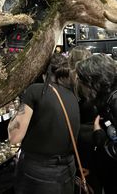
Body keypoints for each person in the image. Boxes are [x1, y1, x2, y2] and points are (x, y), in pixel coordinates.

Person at [8, 53, 80, 194]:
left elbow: (14, 137)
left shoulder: (36, 90)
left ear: (43, 73)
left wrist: (13, 114)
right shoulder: (72, 95)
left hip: (39, 174)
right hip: (68, 171)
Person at [76, 53, 117, 194]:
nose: (80, 85)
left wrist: (99, 135)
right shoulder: (107, 99)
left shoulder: (114, 102)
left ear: (93, 82)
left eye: (82, 80)